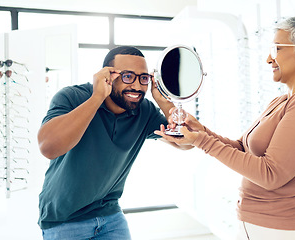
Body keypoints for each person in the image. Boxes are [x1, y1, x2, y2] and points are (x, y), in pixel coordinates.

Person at [156, 15, 295, 240]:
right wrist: (199, 130)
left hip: (292, 229)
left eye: (277, 48)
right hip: (261, 226)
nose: (269, 59)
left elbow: (271, 174)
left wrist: (200, 141)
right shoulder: (281, 101)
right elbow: (242, 147)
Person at [37, 46, 190, 239]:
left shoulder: (144, 111)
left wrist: (163, 101)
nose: (136, 86)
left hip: (110, 215)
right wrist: (97, 97)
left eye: (143, 78)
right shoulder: (72, 97)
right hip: (64, 219)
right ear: (107, 76)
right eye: (127, 76)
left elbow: (188, 141)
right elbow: (48, 147)